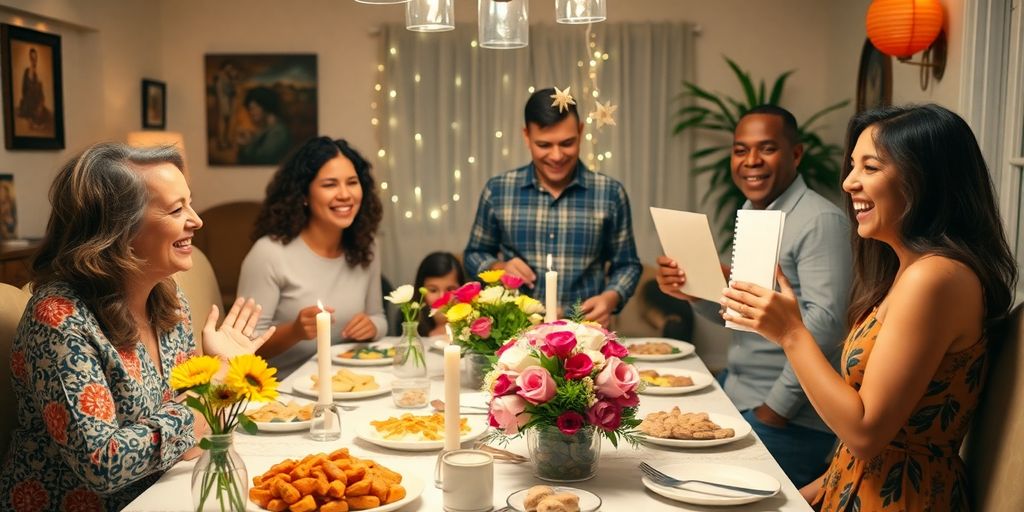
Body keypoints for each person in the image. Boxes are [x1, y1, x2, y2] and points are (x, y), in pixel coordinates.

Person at [721, 104, 1017, 509]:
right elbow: (872, 446)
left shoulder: (935, 279)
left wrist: (791, 333)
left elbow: (865, 433)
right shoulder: (910, 271)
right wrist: (799, 497)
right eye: (852, 166)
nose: (848, 183)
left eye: (870, 168)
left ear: (923, 178)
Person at [0, 143, 273, 510]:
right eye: (177, 209)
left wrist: (218, 377)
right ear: (117, 229)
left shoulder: (169, 298)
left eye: (189, 203)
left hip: (158, 496)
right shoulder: (58, 318)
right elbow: (104, 465)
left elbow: (191, 438)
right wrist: (217, 381)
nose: (197, 220)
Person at [656, 105, 852, 487]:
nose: (751, 161)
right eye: (740, 150)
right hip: (739, 391)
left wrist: (775, 410)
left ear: (795, 154)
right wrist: (692, 294)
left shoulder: (819, 221)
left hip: (788, 417)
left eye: (767, 149)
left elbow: (827, 327)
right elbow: (742, 314)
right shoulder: (753, 212)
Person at [464, 87, 642, 327]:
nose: (557, 156)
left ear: (580, 132)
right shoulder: (498, 190)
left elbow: (627, 264)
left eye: (567, 143)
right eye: (544, 145)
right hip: (517, 332)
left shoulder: (610, 194)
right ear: (526, 136)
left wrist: (611, 298)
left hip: (585, 335)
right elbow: (474, 254)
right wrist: (499, 267)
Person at [238, 136, 387, 378]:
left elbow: (378, 317)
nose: (345, 194)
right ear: (304, 195)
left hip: (349, 385)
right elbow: (241, 350)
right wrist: (295, 331)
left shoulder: (366, 246)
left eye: (352, 182)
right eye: (329, 185)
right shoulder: (268, 254)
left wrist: (372, 327)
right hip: (282, 396)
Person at [413, 251, 467, 338]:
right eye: (433, 290)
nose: (442, 297)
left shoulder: (471, 326)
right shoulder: (411, 320)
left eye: (450, 289)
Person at [236, 86, 291, 165]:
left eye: (253, 108)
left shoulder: (278, 132)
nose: (251, 113)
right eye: (249, 109)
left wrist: (246, 145)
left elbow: (261, 159)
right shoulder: (267, 128)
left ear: (265, 106)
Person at [17, 47, 51, 129]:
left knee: (45, 114)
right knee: (32, 112)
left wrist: (41, 103)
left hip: (37, 100)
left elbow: (41, 91)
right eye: (32, 58)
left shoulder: (38, 73)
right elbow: (23, 89)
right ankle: (33, 122)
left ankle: (37, 122)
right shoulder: (27, 71)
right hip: (28, 100)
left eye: (35, 58)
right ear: (30, 58)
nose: (34, 61)